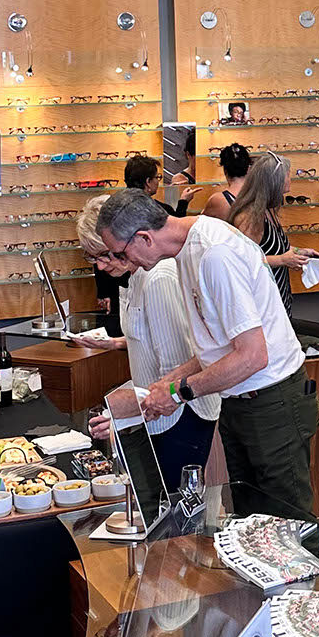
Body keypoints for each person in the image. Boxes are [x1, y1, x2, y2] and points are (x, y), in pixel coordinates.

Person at [98, 190, 319, 526]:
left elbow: (253, 356)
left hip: (271, 401)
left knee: (290, 526)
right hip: (242, 400)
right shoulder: (187, 251)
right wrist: (169, 382)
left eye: (119, 252)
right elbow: (215, 348)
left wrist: (179, 392)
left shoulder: (215, 255)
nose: (121, 262)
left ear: (143, 237)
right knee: (252, 525)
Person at [76, 196, 221, 491]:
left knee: (177, 513)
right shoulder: (136, 275)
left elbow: (177, 365)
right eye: (93, 259)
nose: (101, 266)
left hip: (179, 416)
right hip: (159, 410)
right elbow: (150, 338)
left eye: (105, 255)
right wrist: (118, 344)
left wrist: (127, 409)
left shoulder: (157, 278)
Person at [229, 151, 309, 313]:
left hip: (280, 302)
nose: (290, 180)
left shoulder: (268, 210)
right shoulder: (250, 217)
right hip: (263, 308)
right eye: (288, 175)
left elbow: (272, 248)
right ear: (275, 181)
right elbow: (243, 261)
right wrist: (282, 260)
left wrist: (299, 252)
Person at [197, 141, 253, 221]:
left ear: (225, 170)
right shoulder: (260, 196)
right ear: (248, 169)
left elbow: (200, 225)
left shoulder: (217, 200)